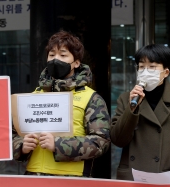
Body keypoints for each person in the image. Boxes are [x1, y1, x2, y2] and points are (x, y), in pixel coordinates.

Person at [12, 30, 111, 177]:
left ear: (76, 62)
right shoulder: (33, 97)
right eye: (51, 55)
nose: (55, 59)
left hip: (72, 179)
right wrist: (21, 146)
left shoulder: (91, 98)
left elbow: (101, 141)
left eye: (63, 55)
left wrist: (58, 145)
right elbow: (11, 135)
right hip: (34, 177)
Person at [111, 44, 170, 182]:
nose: (145, 71)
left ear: (166, 72)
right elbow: (118, 140)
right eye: (141, 67)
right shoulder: (126, 99)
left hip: (164, 178)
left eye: (152, 67)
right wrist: (131, 110)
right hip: (131, 178)